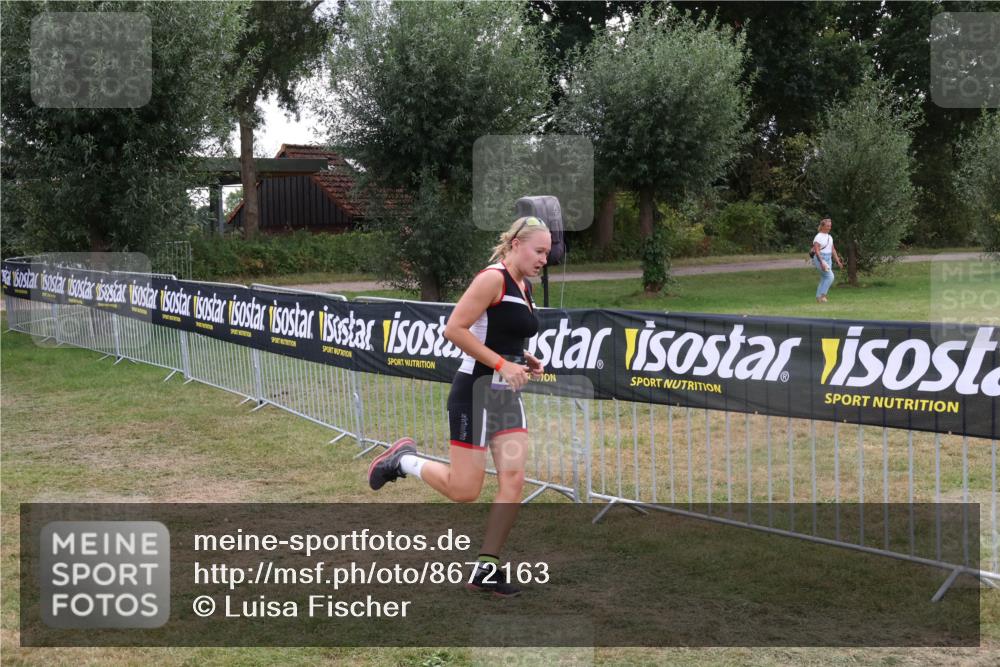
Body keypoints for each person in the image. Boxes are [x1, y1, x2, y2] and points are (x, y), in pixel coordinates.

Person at [367, 216, 551, 598]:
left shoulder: (524, 285)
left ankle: (487, 567)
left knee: (513, 480)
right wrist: (502, 364)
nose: (544, 259)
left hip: (505, 397)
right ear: (516, 244)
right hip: (475, 390)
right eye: (539, 250)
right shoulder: (492, 279)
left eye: (548, 253)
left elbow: (500, 333)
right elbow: (454, 329)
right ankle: (402, 461)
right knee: (465, 490)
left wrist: (525, 358)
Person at [812, 217, 844, 303]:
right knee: (830, 277)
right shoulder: (818, 237)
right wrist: (822, 262)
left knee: (824, 278)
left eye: (830, 226)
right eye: (827, 226)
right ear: (822, 226)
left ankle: (818, 298)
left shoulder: (830, 237)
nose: (829, 228)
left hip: (828, 258)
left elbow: (833, 249)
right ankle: (823, 296)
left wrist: (838, 261)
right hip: (820, 258)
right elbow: (817, 251)